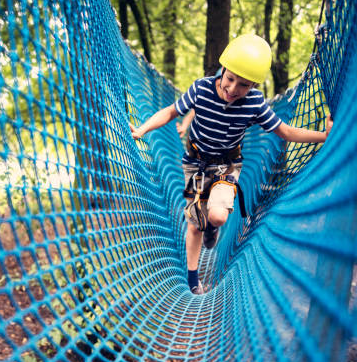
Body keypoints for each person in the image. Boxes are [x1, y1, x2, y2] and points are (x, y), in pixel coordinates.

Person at [130, 35, 333, 294]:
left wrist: (324, 137)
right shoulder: (202, 88)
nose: (234, 88)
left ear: (253, 86)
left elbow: (285, 131)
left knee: (216, 215)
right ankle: (193, 280)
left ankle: (213, 228)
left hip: (227, 165)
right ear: (222, 71)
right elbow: (170, 112)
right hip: (196, 162)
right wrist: (143, 129)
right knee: (194, 223)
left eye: (244, 85)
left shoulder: (254, 104)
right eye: (230, 79)